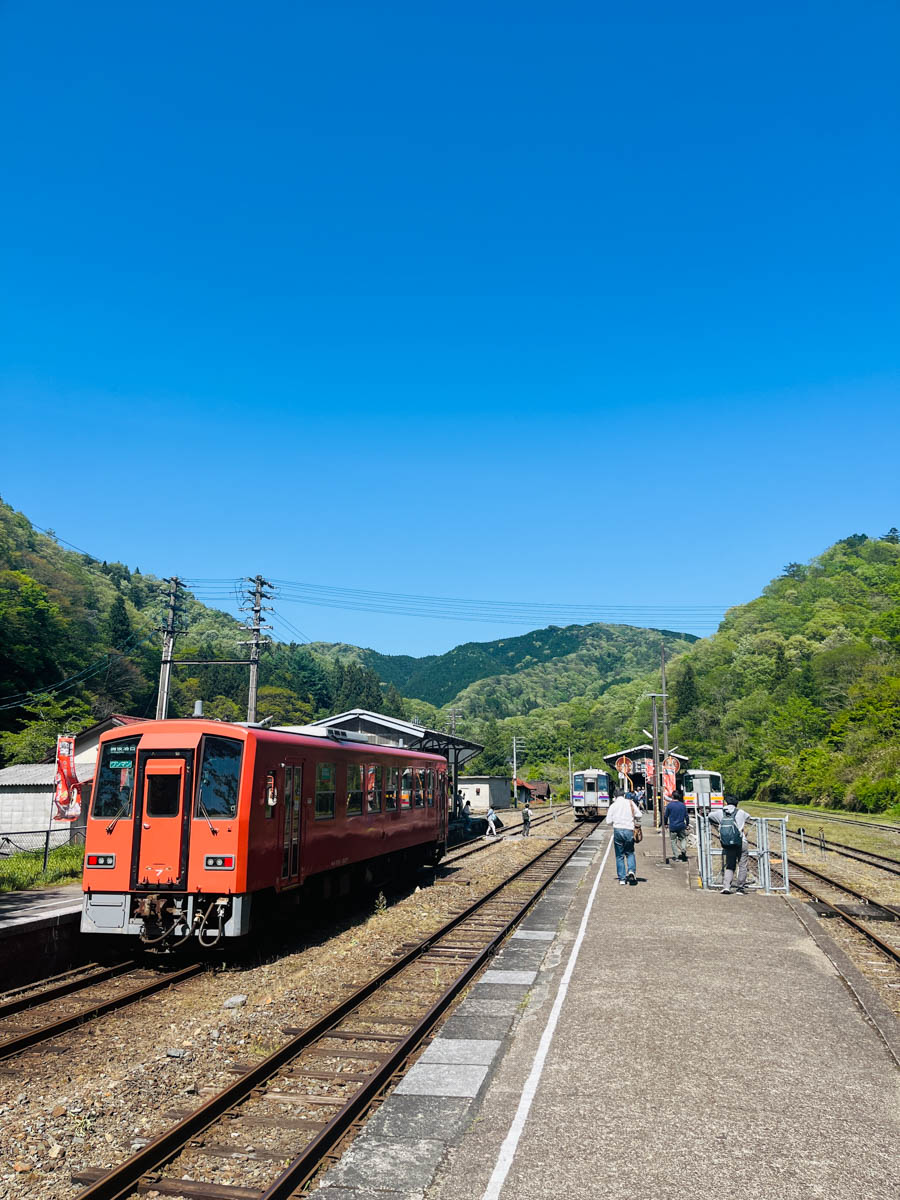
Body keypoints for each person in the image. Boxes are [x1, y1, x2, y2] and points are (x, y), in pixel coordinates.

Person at [710, 802, 751, 893]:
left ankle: (726, 887)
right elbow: (749, 816)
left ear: (726, 802)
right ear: (737, 803)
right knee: (742, 865)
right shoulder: (741, 812)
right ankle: (740, 888)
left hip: (728, 843)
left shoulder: (720, 813)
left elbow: (710, 815)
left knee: (730, 864)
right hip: (741, 842)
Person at [604, 789, 642, 885]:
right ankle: (631, 871)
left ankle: (622, 879)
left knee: (619, 855)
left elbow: (608, 821)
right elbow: (639, 815)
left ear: (615, 796)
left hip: (617, 831)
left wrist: (616, 821)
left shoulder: (613, 806)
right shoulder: (630, 803)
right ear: (624, 795)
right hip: (629, 830)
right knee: (630, 852)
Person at [664, 787, 689, 861]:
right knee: (683, 838)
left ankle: (676, 856)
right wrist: (687, 824)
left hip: (673, 826)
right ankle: (683, 848)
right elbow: (686, 816)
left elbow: (666, 816)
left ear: (672, 796)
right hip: (681, 826)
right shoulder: (682, 805)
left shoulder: (669, 805)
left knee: (673, 841)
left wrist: (665, 824)